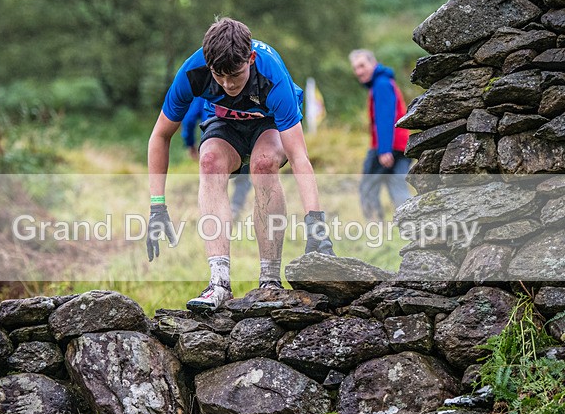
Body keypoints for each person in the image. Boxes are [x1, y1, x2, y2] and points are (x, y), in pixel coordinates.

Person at [147, 17, 335, 311]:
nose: (227, 83)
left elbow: (299, 156)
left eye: (235, 74)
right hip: (225, 125)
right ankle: (219, 283)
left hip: (269, 126)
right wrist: (157, 206)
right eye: (219, 76)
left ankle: (270, 281)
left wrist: (316, 226)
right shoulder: (193, 71)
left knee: (263, 164)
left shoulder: (272, 75)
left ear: (251, 58)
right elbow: (160, 135)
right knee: (208, 161)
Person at [349, 49, 411, 221]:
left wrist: (384, 149)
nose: (359, 71)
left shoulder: (381, 84)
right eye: (355, 68)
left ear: (373, 63)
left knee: (367, 187)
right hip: (401, 143)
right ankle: (415, 225)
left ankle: (375, 227)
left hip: (387, 145)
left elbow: (385, 117)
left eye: (362, 65)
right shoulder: (384, 82)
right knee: (397, 185)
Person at [182, 96, 253, 220]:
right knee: (242, 178)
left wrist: (190, 143)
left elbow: (189, 119)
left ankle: (215, 216)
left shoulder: (205, 91)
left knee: (213, 181)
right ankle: (235, 208)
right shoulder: (246, 86)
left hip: (212, 143)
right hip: (243, 141)